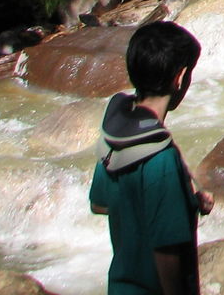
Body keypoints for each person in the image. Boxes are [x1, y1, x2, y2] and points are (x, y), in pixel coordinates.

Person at [89, 21, 214, 295]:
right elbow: (167, 251)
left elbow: (101, 204)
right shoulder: (161, 159)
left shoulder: (115, 133)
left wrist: (187, 201)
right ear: (180, 78)